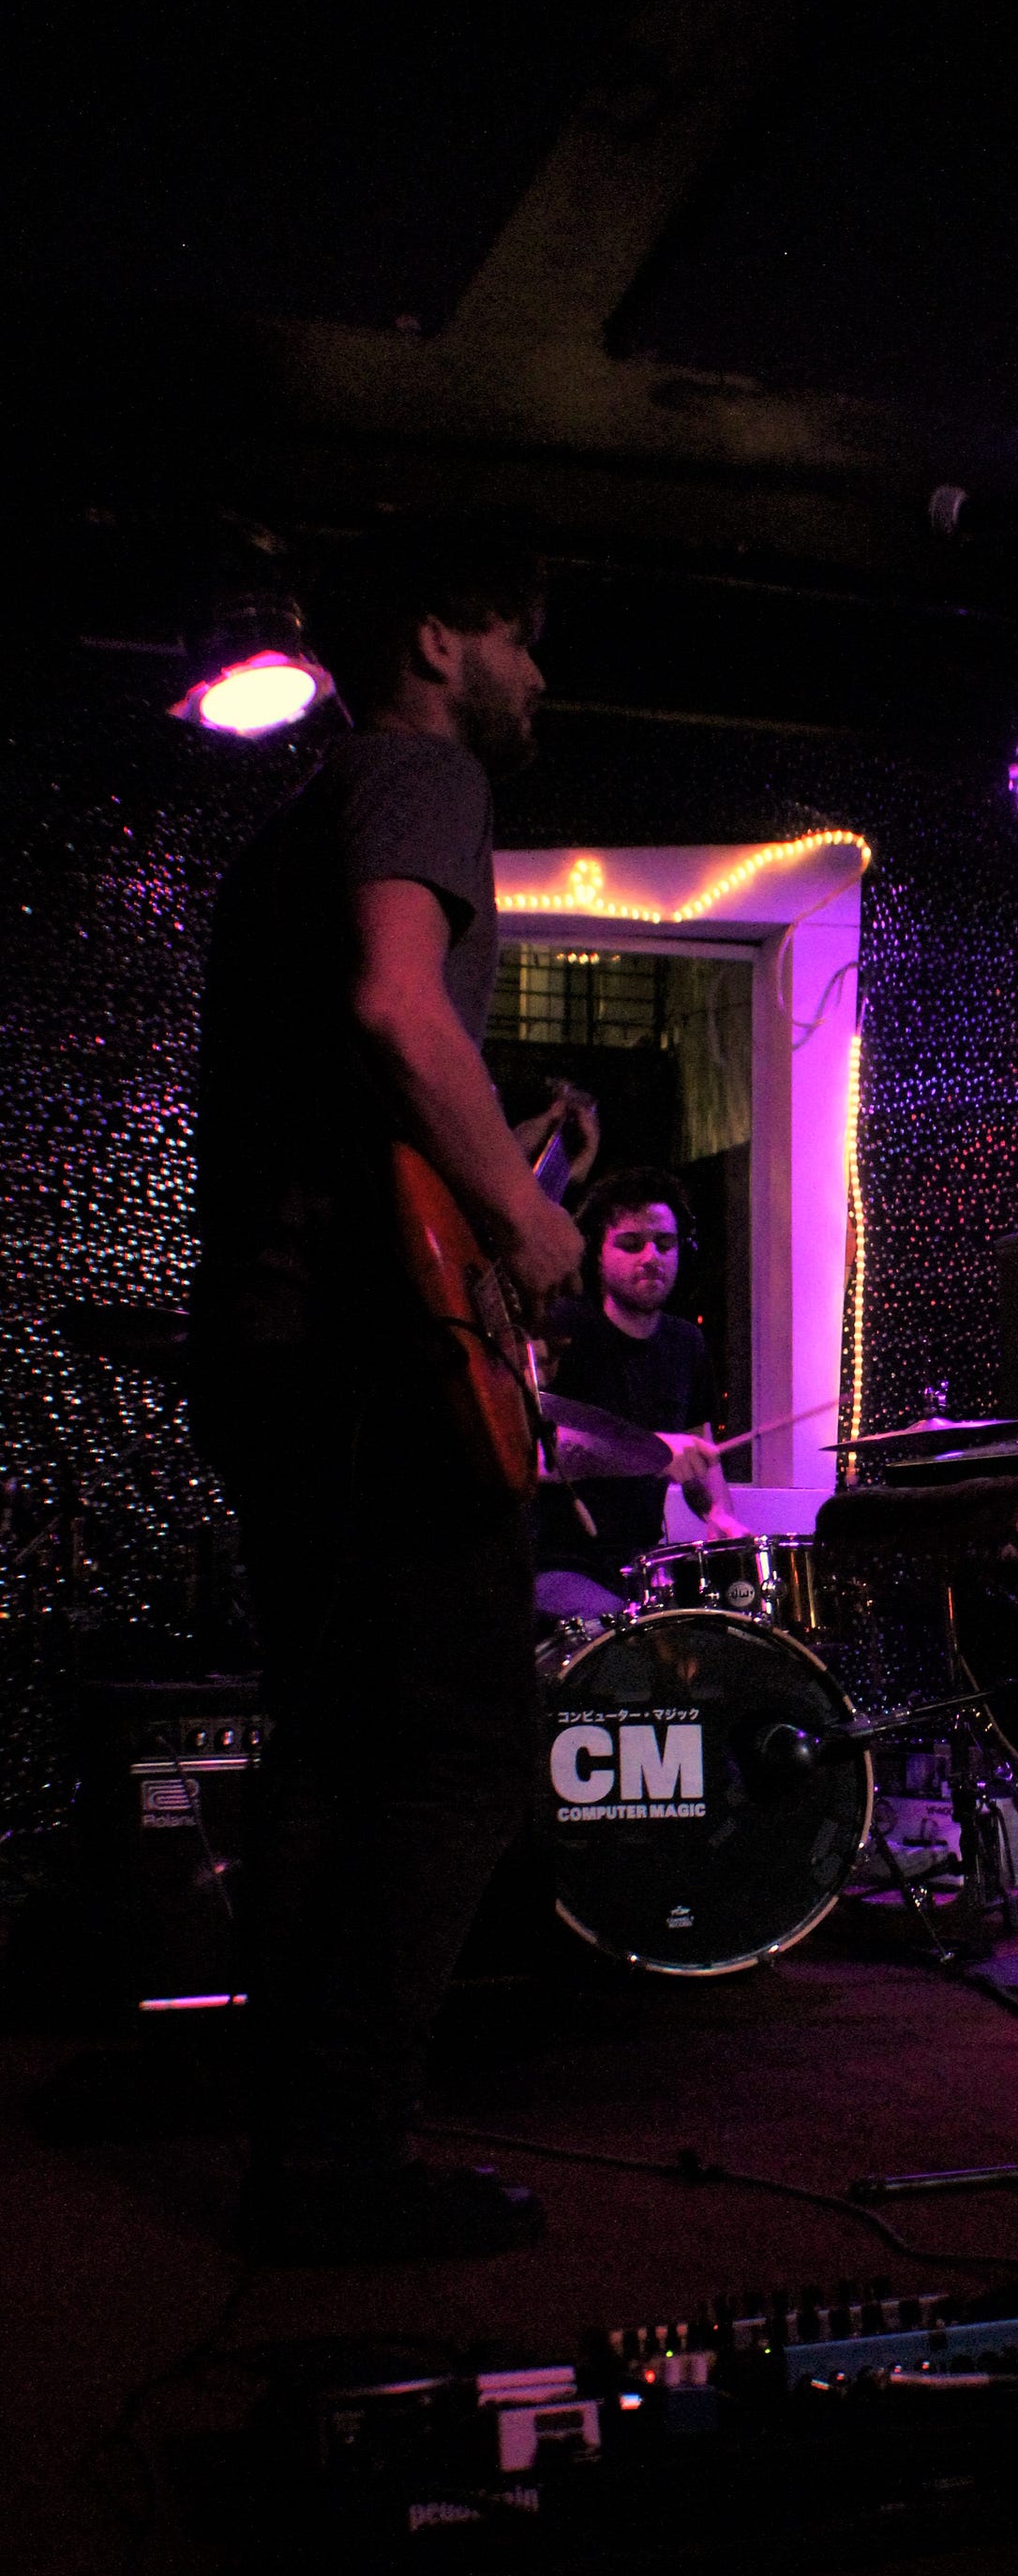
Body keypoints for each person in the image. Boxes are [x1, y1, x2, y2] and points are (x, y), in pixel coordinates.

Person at [190, 515, 589, 2259]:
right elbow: (397, 1010)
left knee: (334, 1750)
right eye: (523, 640)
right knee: (456, 1753)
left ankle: (301, 2148)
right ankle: (347, 2158)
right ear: (440, 637)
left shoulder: (292, 828)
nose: (539, 678)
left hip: (275, 1342)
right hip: (371, 1356)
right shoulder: (420, 776)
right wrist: (529, 1226)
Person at [533, 1169, 744, 1615]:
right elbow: (537, 1455)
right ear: (598, 1254)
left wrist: (719, 1516)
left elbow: (701, 1452)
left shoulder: (686, 1343)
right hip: (557, 1564)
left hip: (640, 1567)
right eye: (631, 1244)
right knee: (634, 1644)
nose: (651, 1257)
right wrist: (651, 1450)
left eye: (665, 1244)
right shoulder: (562, 1329)